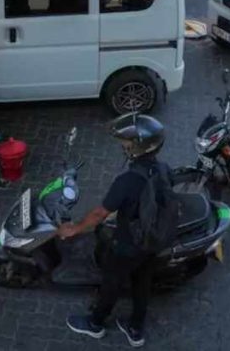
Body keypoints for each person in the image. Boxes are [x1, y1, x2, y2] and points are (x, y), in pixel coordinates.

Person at [59, 115, 169, 348]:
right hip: (151, 240)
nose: (124, 147)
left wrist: (75, 228)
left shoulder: (128, 180)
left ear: (137, 147)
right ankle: (136, 330)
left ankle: (95, 324)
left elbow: (100, 213)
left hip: (128, 245)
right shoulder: (162, 168)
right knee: (142, 284)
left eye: (127, 144)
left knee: (112, 283)